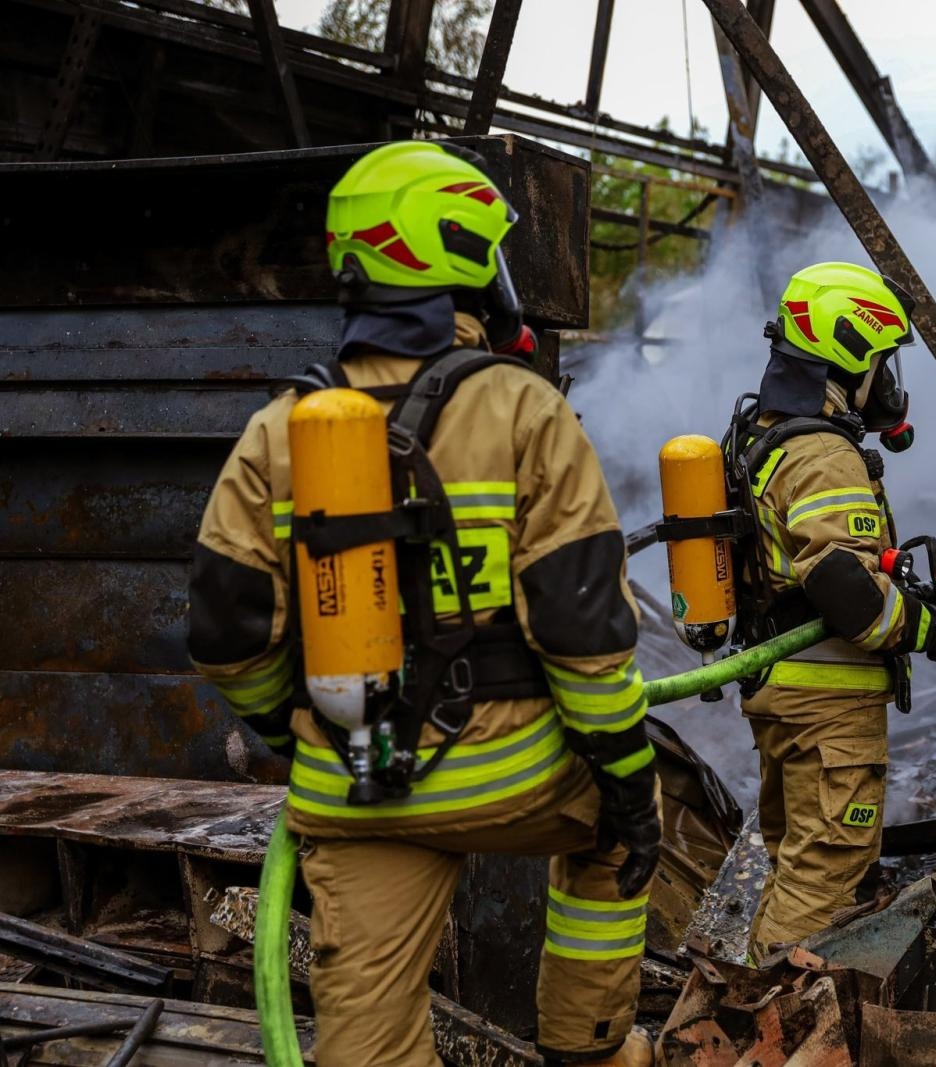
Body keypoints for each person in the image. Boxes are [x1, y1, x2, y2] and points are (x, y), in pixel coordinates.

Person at [186, 141, 657, 1067]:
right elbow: (584, 634)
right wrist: (630, 780)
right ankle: (589, 1048)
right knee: (616, 833)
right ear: (453, 258)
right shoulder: (526, 410)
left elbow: (223, 632)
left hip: (357, 788)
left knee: (367, 1023)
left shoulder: (280, 428)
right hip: (516, 778)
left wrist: (303, 730)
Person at [724, 261, 936, 957]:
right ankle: (758, 1021)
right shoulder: (824, 452)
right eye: (882, 360)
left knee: (797, 864)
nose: (887, 381)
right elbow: (840, 582)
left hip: (789, 696)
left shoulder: (766, 433)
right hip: (827, 707)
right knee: (824, 875)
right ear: (850, 350)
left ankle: (741, 1007)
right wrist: (929, 626)